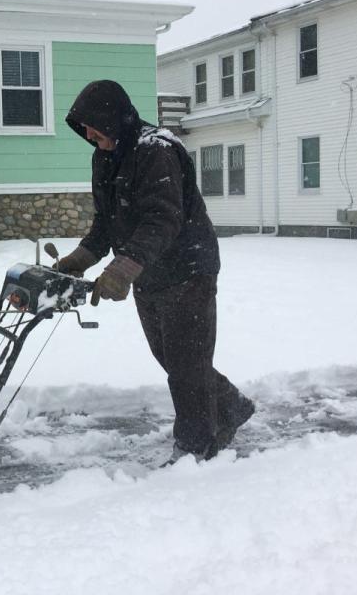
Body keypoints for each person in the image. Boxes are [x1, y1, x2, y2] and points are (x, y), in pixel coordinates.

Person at [56, 79, 254, 463]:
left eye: (94, 128)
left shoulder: (157, 150)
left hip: (187, 269)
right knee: (174, 359)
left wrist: (124, 267)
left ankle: (195, 449)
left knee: (185, 367)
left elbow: (163, 219)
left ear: (114, 118)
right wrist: (79, 260)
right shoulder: (104, 156)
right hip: (150, 273)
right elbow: (106, 222)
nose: (90, 135)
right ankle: (230, 406)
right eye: (86, 131)